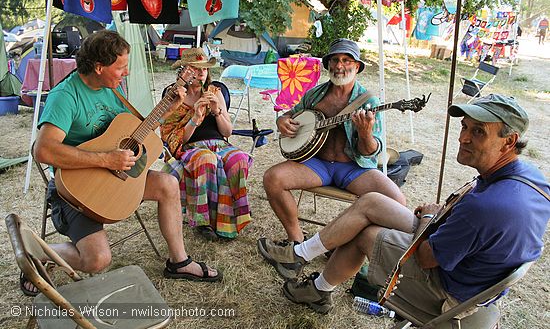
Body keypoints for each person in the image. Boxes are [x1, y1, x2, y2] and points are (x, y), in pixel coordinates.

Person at [258, 94, 549, 315]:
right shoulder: (531, 179)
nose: (463, 138)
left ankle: (316, 285)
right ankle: (302, 259)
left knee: (363, 233)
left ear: (509, 141)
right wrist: (442, 216)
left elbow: (425, 257)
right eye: (465, 127)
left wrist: (430, 218)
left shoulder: (488, 207)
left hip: (449, 291)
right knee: (373, 202)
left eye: (478, 132)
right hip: (466, 261)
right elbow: (473, 229)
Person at [29, 31, 221, 296]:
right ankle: (38, 255)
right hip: (77, 192)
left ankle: (179, 262)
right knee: (97, 260)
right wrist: (105, 159)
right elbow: (44, 150)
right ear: (99, 67)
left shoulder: (112, 90)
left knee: (167, 183)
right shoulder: (65, 96)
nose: (126, 73)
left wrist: (166, 110)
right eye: (121, 67)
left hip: (113, 180)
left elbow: (134, 132)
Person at [259, 38, 405, 279]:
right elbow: (290, 115)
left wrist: (365, 133)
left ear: (357, 66)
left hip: (354, 167)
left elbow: (371, 152)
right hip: (319, 165)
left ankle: (364, 253)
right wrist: (281, 121)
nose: (340, 65)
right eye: (335, 60)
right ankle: (296, 244)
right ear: (328, 65)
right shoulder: (315, 94)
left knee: (396, 201)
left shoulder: (369, 102)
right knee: (273, 178)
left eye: (347, 60)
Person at [161, 48, 252, 241]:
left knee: (238, 159)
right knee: (206, 159)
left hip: (220, 143)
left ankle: (230, 217)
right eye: (197, 68)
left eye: (205, 69)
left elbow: (227, 132)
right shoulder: (175, 96)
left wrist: (217, 111)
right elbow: (178, 139)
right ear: (185, 70)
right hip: (191, 147)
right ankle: (203, 221)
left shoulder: (214, 92)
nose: (202, 73)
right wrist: (195, 118)